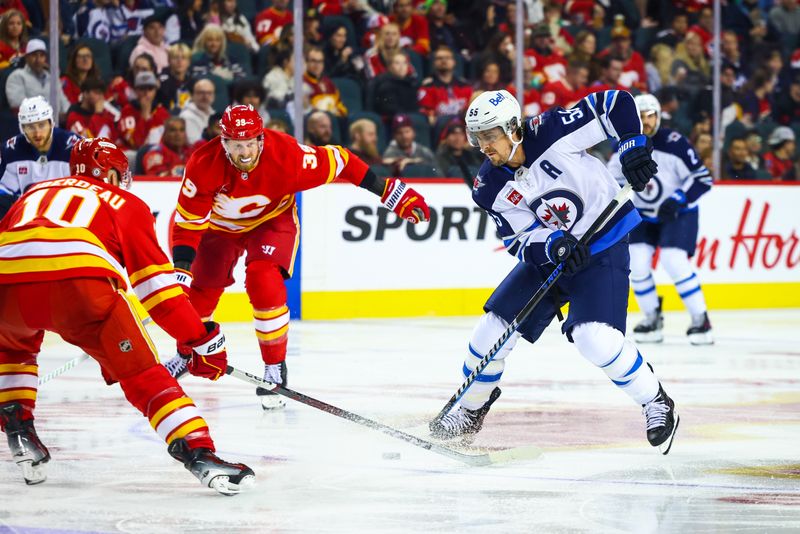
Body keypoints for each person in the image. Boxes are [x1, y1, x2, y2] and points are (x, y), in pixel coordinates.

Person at [429, 89, 679, 456]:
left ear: (513, 129)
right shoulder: (489, 185)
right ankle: (470, 408)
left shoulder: (550, 130)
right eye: (478, 137)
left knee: (594, 339)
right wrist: (552, 244)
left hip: (602, 244)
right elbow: (518, 239)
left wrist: (631, 145)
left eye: (490, 135)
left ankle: (655, 401)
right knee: (490, 331)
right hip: (553, 256)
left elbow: (615, 103)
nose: (484, 146)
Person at [0, 137, 254, 494]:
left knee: (12, 349)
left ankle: (19, 430)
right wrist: (201, 340)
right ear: (112, 174)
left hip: (4, 283)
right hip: (79, 288)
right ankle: (198, 452)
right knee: (143, 374)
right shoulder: (125, 202)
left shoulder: (32, 193)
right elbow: (158, 293)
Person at [163, 105, 430, 410]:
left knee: (265, 282)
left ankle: (275, 368)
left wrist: (389, 193)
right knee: (197, 301)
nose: (245, 152)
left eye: (251, 142)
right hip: (217, 229)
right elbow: (187, 229)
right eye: (237, 145)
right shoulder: (202, 164)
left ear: (261, 138)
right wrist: (182, 273)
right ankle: (185, 354)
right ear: (222, 142)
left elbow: (341, 161)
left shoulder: (288, 156)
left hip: (271, 222)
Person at [607, 94, 714, 345]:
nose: (645, 121)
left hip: (679, 212)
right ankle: (651, 317)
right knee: (638, 262)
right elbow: (610, 183)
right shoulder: (622, 147)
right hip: (644, 215)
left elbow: (702, 179)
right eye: (640, 117)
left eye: (650, 115)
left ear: (658, 115)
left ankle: (701, 319)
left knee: (673, 260)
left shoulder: (675, 143)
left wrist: (678, 199)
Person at [0, 97, 80, 220]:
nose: (37, 133)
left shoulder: (75, 147)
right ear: (23, 128)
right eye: (30, 127)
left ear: (51, 123)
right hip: (27, 222)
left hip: (67, 221)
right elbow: (4, 193)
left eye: (41, 125)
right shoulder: (11, 150)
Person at [5, 38, 70, 111]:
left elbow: (64, 103)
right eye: (34, 55)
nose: (38, 60)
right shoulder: (17, 76)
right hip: (31, 120)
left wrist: (68, 115)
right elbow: (17, 103)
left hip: (56, 120)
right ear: (27, 58)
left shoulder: (52, 78)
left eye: (41, 55)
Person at [117, 71, 171, 151]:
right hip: (134, 156)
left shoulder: (162, 112)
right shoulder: (127, 111)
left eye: (150, 88)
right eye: (142, 89)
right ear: (136, 90)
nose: (146, 93)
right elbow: (136, 143)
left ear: (155, 91)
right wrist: (145, 116)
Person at [180, 78, 216, 144]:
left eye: (209, 93)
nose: (205, 97)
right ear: (193, 95)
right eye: (201, 93)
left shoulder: (213, 114)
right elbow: (194, 143)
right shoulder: (186, 116)